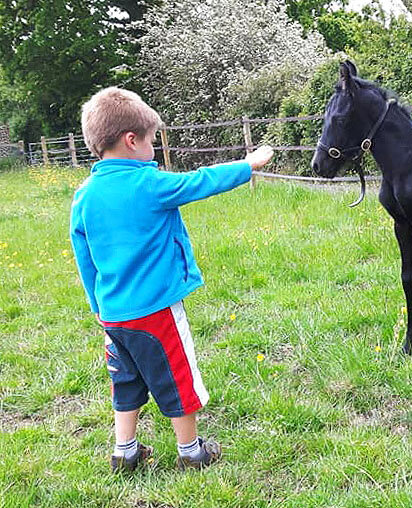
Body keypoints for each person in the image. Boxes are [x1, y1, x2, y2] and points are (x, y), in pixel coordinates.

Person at [70, 87, 274, 472]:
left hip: (113, 316)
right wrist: (249, 164)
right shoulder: (149, 184)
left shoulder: (84, 196)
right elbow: (201, 182)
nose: (153, 150)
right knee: (178, 376)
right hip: (156, 311)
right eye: (150, 141)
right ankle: (191, 451)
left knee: (126, 382)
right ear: (132, 141)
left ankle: (125, 451)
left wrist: (98, 307)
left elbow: (85, 259)